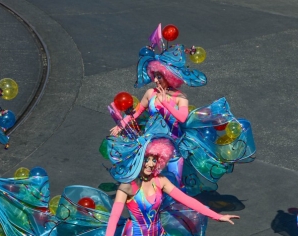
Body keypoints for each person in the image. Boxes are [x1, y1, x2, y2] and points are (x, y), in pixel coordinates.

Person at [108, 26, 256, 196]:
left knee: (175, 181)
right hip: (150, 141)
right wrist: (121, 125)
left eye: (159, 76)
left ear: (169, 77)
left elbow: (183, 117)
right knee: (147, 177)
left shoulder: (180, 98)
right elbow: (136, 112)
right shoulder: (150, 94)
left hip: (173, 144)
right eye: (154, 75)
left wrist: (167, 104)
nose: (155, 80)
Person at [98, 137, 239, 236]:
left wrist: (217, 216)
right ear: (137, 160)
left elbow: (188, 200)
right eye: (146, 160)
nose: (151, 164)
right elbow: (114, 216)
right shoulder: (127, 187)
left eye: (154, 160)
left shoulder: (160, 182)